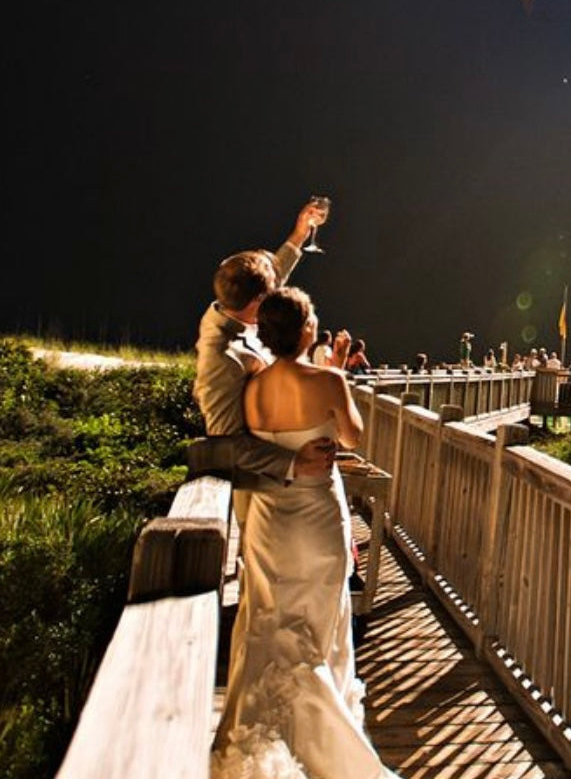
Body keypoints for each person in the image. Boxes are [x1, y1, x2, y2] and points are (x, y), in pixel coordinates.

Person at [214, 287, 387, 779]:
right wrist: (336, 370)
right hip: (316, 514)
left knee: (267, 617)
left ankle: (262, 740)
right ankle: (324, 742)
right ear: (306, 329)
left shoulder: (251, 388)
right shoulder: (330, 380)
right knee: (320, 619)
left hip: (270, 514)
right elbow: (352, 437)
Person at [192, 200, 336, 524]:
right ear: (258, 302)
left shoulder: (233, 302)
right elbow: (225, 441)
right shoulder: (222, 357)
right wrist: (294, 462)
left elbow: (268, 280)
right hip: (261, 489)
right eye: (271, 294)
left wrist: (298, 236)